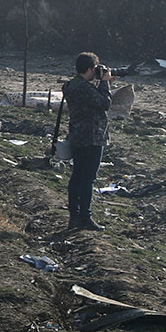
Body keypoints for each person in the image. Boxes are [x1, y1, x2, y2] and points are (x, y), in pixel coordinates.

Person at [62, 52, 112, 230]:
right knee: (88, 179)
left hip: (77, 135)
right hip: (91, 138)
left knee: (76, 176)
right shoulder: (84, 88)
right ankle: (85, 216)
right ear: (90, 69)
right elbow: (104, 103)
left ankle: (74, 216)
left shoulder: (70, 85)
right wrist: (105, 82)